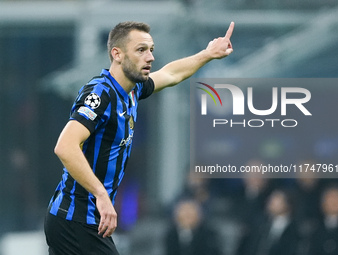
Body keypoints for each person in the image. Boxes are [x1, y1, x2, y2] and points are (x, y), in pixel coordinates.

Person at [44, 21, 234, 254]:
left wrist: (208, 54)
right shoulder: (100, 94)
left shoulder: (132, 90)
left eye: (151, 50)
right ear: (117, 54)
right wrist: (101, 195)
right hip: (75, 219)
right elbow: (65, 146)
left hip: (81, 220)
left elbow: (171, 73)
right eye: (141, 50)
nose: (150, 57)